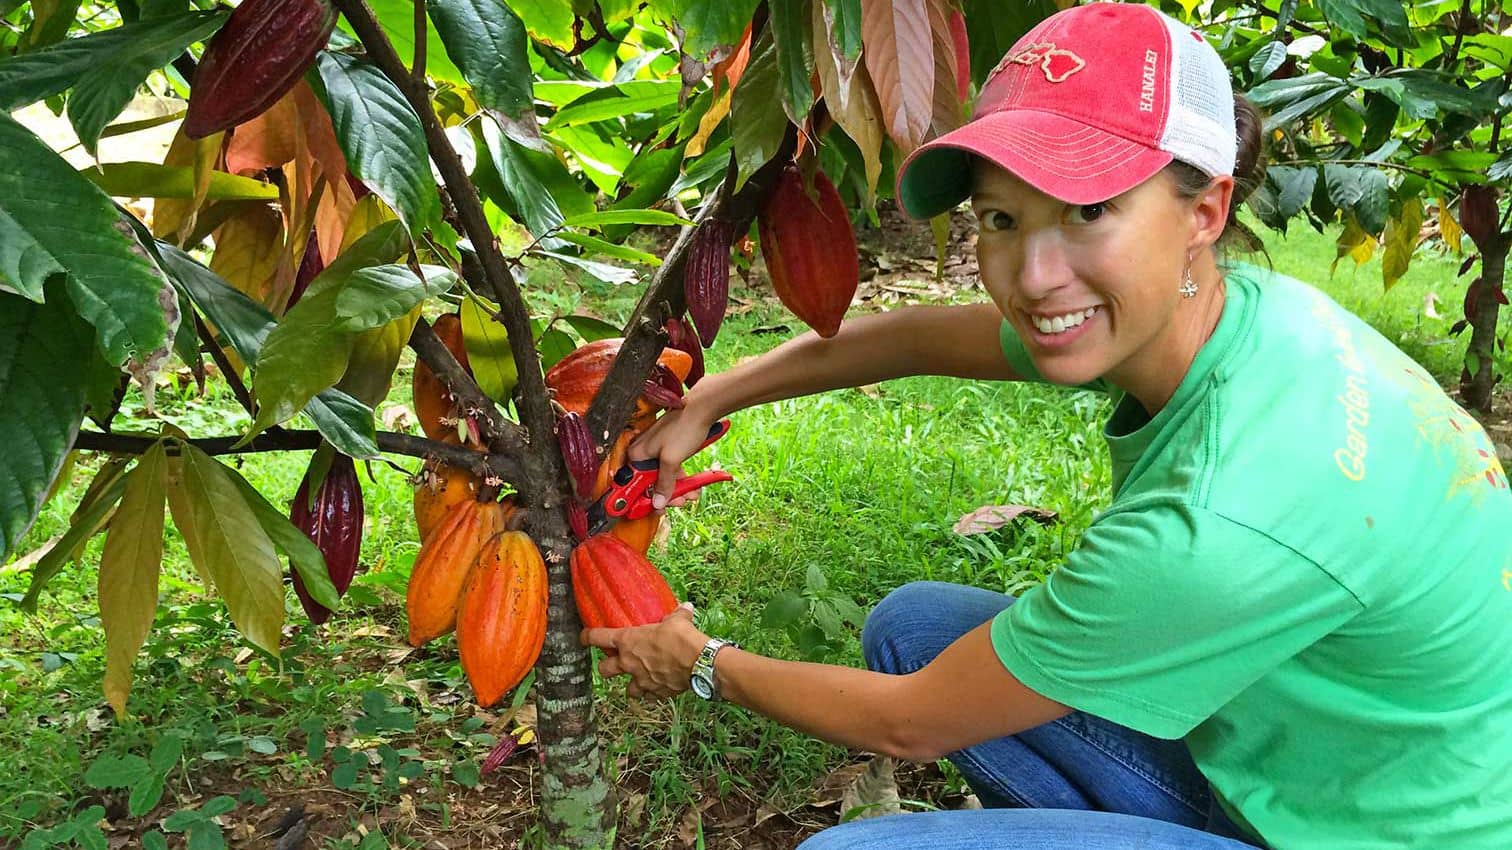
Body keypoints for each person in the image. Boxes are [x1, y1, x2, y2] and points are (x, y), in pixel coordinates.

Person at [581, 3, 1512, 848]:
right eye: (1002, 218)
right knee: (916, 627)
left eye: (1091, 209)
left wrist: (702, 662)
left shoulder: (1216, 523)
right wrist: (713, 396)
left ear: (1205, 209)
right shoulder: (1233, 316)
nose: (1033, 277)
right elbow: (915, 340)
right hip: (1309, 761)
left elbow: (909, 723)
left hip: (1382, 834)